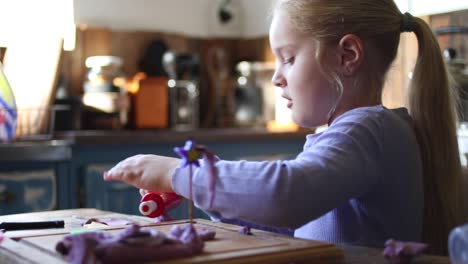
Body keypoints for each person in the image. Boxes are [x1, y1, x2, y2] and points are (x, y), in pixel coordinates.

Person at [103, 0, 465, 255]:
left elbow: (286, 195)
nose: (277, 77)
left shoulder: (368, 130)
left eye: (289, 58)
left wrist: (177, 173)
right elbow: (297, 229)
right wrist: (205, 184)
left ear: (347, 56)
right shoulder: (358, 134)